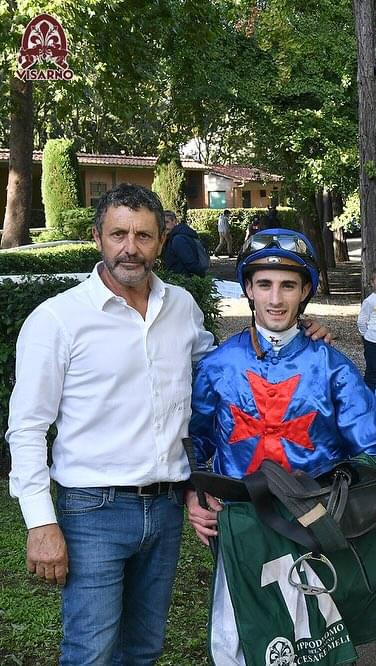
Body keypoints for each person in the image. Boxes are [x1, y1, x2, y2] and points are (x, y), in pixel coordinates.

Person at [5, 183, 216, 665]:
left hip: (164, 509)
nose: (130, 248)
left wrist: (292, 336)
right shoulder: (58, 319)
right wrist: (41, 522)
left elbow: (219, 375)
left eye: (143, 236)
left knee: (143, 650)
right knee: (90, 653)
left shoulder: (182, 307)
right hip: (91, 511)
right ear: (98, 236)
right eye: (118, 233)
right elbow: (27, 428)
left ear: (161, 241)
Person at [184, 228, 376, 663]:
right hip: (242, 528)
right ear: (248, 288)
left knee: (317, 649)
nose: (276, 299)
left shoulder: (333, 367)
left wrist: (342, 504)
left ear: (305, 291)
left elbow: (375, 453)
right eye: (264, 284)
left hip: (314, 528)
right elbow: (194, 440)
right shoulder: (217, 366)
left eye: (288, 285)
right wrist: (195, 492)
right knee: (237, 645)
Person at [162, 210, 210, 276]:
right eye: (162, 223)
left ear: (175, 222)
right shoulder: (175, 236)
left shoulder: (178, 239)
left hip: (184, 281)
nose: (164, 226)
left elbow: (191, 263)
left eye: (166, 222)